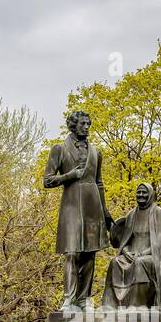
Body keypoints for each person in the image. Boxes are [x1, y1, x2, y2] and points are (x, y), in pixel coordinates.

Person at [43, 110, 111, 311]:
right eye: (83, 124)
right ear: (73, 125)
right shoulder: (59, 149)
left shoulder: (96, 152)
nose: (87, 127)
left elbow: (99, 183)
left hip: (93, 206)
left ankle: (84, 299)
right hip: (71, 206)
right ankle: (69, 299)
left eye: (88, 124)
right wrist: (69, 175)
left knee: (90, 254)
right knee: (72, 253)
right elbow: (47, 180)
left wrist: (105, 211)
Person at [101, 181, 161, 308]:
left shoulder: (159, 213)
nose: (141, 195)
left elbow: (160, 243)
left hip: (154, 257)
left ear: (150, 194)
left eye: (144, 192)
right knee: (115, 262)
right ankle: (110, 305)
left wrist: (141, 254)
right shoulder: (132, 214)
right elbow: (125, 240)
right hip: (133, 255)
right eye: (139, 192)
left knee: (140, 263)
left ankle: (138, 305)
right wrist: (127, 252)